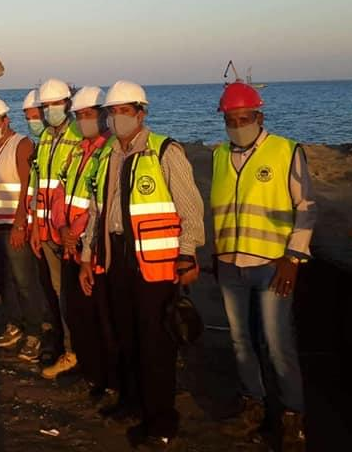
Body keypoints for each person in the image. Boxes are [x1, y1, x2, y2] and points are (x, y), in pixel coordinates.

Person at [80, 81, 205, 449]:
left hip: (155, 265)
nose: (117, 118)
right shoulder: (107, 156)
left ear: (141, 112)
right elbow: (96, 212)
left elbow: (190, 208)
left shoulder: (164, 151)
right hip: (114, 257)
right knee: (124, 336)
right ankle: (132, 403)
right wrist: (87, 256)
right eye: (112, 112)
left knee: (155, 343)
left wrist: (187, 254)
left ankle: (161, 422)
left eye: (124, 110)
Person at [211, 82, 312, 450]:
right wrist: (216, 254)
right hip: (230, 266)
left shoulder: (286, 151)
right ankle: (252, 407)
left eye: (244, 119)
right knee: (241, 342)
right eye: (231, 120)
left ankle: (292, 419)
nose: (238, 126)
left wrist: (294, 258)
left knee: (277, 344)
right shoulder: (220, 155)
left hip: (272, 266)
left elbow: (306, 207)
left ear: (259, 116)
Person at [56, 86, 115, 400]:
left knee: (100, 315)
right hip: (70, 245)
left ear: (104, 115)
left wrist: (76, 233)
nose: (83, 121)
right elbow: (60, 194)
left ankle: (107, 376)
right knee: (78, 313)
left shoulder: (109, 152)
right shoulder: (77, 151)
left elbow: (100, 203)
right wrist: (62, 227)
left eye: (89, 114)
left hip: (91, 246)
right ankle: (89, 369)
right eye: (78, 116)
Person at [0, 96, 44, 362]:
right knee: (3, 280)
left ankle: (34, 333)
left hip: (12, 226)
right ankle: (14, 324)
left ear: (6, 120)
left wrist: (20, 223)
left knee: (24, 282)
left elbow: (28, 186)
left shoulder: (21, 144)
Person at [29, 78, 83, 380]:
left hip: (70, 233)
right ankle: (69, 350)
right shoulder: (46, 139)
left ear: (68, 104)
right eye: (46, 105)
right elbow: (38, 186)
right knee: (59, 292)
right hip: (48, 232)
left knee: (75, 295)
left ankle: (77, 351)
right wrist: (36, 227)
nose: (50, 110)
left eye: (56, 104)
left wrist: (71, 230)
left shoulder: (79, 136)